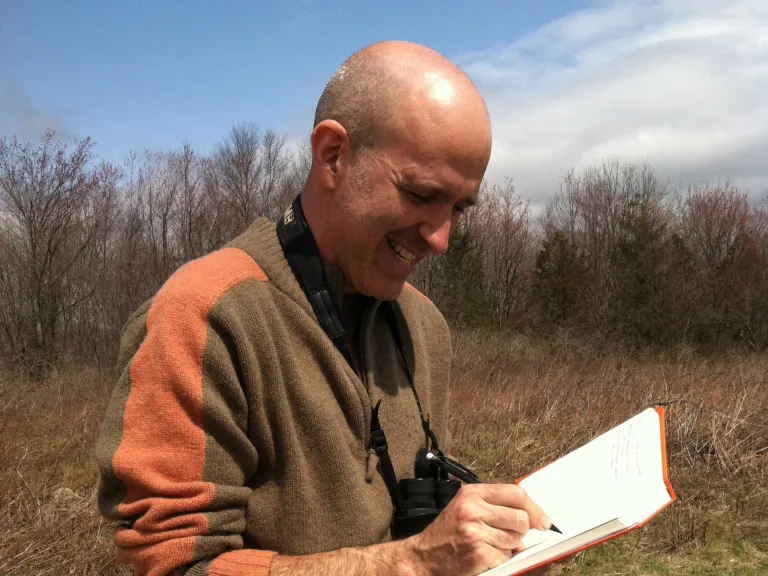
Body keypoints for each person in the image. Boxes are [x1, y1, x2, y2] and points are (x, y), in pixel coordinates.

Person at [95, 40, 555, 576]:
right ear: (333, 155)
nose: (440, 239)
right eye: (420, 194)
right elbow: (172, 566)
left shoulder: (424, 326)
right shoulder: (204, 316)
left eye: (459, 207)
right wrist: (410, 564)